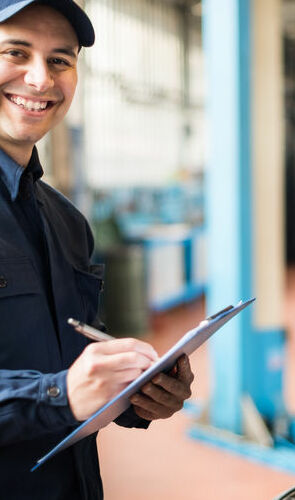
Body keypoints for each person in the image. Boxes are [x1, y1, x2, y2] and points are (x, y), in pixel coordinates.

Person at [0, 1, 194, 498]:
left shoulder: (65, 221)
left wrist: (134, 391)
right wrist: (59, 394)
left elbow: (75, 348)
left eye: (60, 60)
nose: (40, 79)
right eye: (15, 52)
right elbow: (62, 388)